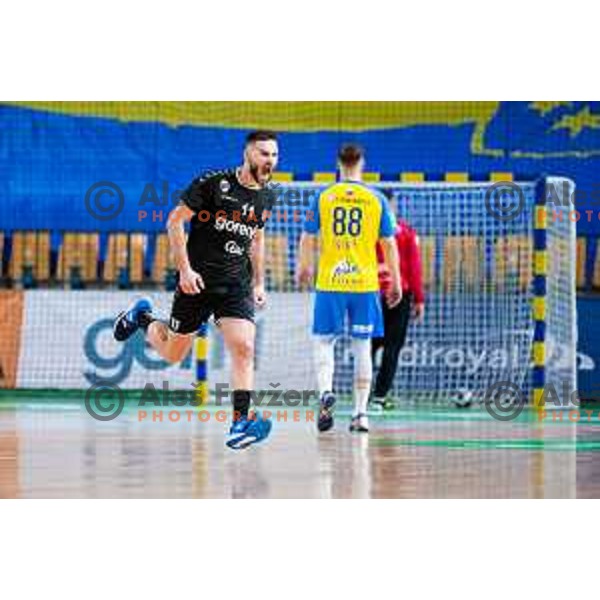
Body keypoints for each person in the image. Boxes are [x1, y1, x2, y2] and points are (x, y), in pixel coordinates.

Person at [112, 130, 278, 450]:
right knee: (174, 354)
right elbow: (175, 221)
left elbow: (256, 238)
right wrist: (185, 270)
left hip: (235, 286)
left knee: (244, 347)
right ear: (247, 154)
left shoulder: (267, 196)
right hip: (197, 282)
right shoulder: (214, 183)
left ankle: (239, 423)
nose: (269, 160)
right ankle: (142, 317)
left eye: (273, 154)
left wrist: (259, 282)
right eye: (263, 153)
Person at [297, 143, 402, 434]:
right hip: (364, 283)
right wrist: (395, 279)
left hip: (331, 281)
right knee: (362, 348)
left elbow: (307, 237)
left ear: (338, 164)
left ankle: (325, 392)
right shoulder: (376, 198)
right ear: (362, 163)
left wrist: (304, 266)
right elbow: (389, 244)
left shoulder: (324, 196)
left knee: (323, 342)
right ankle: (360, 415)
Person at [370, 217, 425, 410]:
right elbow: (414, 266)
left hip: (372, 291)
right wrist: (419, 298)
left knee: (369, 344)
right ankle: (380, 395)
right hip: (399, 291)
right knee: (392, 346)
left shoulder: (368, 227)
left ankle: (363, 392)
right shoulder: (406, 231)